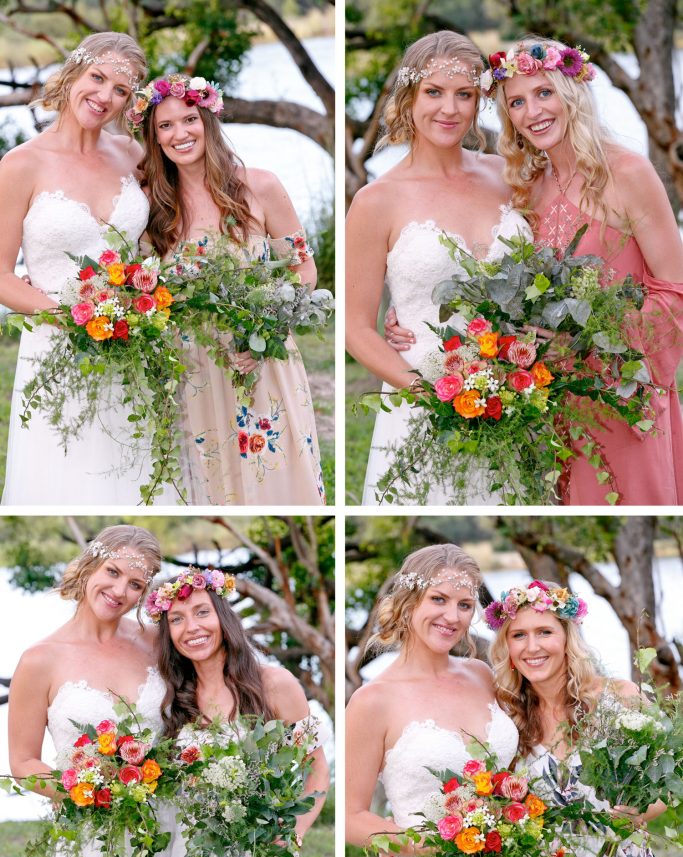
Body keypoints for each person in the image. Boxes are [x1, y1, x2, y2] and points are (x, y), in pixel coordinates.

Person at [387, 36, 683, 505]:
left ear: (572, 93)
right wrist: (413, 302)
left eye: (544, 93)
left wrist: (591, 344)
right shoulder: (526, 188)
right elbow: (495, 273)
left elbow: (675, 291)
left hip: (622, 395)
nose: (533, 112)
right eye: (517, 102)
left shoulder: (627, 173)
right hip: (545, 407)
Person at [345, 31, 531, 505]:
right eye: (434, 92)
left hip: (517, 400)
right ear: (409, 97)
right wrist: (432, 396)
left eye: (464, 94)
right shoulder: (375, 201)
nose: (449, 109)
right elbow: (355, 328)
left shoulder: (508, 175)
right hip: (423, 403)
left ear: (478, 101)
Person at [488, 580, 683, 857]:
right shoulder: (506, 717)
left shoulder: (618, 698)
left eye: (545, 632)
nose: (532, 646)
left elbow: (668, 785)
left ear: (567, 637)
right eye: (519, 635)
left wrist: (638, 811)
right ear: (506, 647)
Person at [346, 544, 524, 857]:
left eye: (464, 605)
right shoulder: (373, 700)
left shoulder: (483, 675)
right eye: (438, 600)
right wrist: (418, 843)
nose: (452, 617)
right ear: (409, 603)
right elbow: (351, 817)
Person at [8, 525, 178, 857]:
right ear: (89, 566)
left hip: (163, 830)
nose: (120, 590)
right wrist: (88, 788)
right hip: (86, 836)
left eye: (137, 584)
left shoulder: (158, 645)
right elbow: (23, 764)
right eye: (113, 572)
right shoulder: (39, 660)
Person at [0, 34, 177, 505]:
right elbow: (1, 275)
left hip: (135, 344)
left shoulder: (133, 155)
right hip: (58, 348)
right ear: (73, 73)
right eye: (97, 78)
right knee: (67, 470)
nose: (104, 97)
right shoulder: (20, 165)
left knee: (138, 467)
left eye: (120, 90)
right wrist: (74, 318)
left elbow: (165, 238)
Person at [150, 569, 332, 857]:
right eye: (177, 619)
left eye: (201, 613)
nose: (191, 628)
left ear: (224, 617)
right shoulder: (173, 699)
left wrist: (293, 833)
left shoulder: (274, 684)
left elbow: (316, 771)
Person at [135, 75, 326, 505]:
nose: (180, 134)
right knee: (210, 478)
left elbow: (304, 269)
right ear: (154, 137)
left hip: (259, 357)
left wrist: (266, 332)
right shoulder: (151, 206)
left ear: (208, 120)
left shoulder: (260, 185)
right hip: (191, 366)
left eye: (189, 120)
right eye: (165, 126)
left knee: (276, 473)